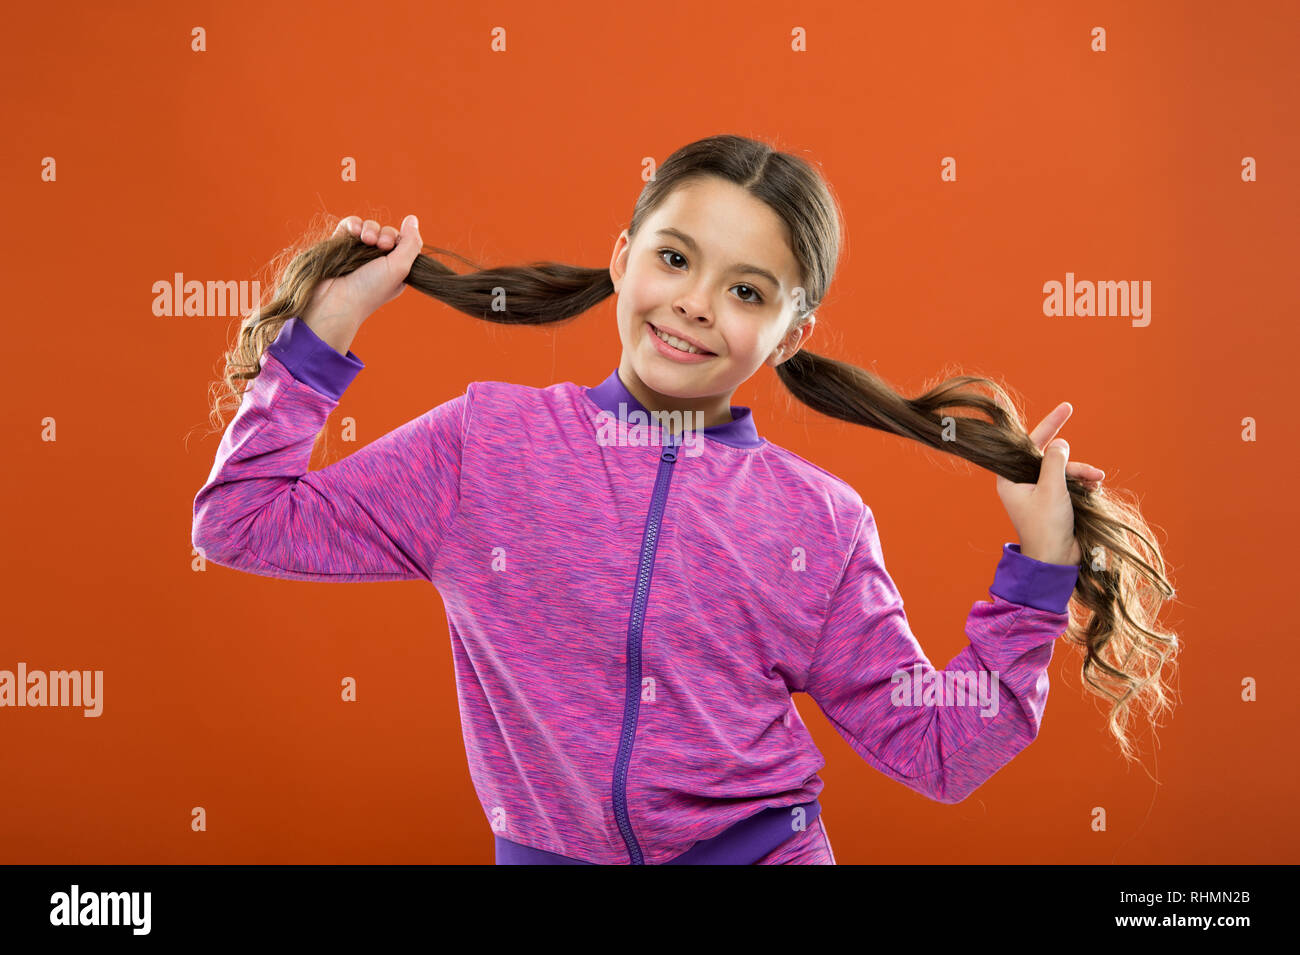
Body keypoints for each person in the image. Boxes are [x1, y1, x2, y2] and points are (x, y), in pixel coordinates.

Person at [193, 134, 1178, 865]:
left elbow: (939, 750)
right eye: (675, 258)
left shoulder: (818, 522)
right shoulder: (483, 446)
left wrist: (1037, 579)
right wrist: (319, 340)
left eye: (749, 292)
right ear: (622, 259)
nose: (698, 303)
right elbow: (240, 519)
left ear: (790, 335)